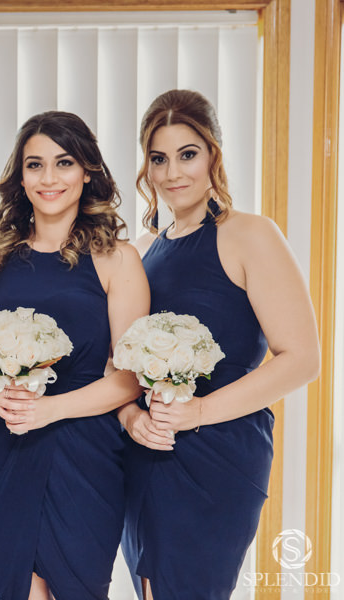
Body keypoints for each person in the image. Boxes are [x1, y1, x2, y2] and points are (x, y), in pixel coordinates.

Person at [118, 89, 320, 599]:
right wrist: (131, 418)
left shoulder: (251, 234)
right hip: (148, 448)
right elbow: (119, 363)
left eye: (187, 154)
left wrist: (199, 412)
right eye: (158, 159)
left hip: (219, 452)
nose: (172, 173)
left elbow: (302, 359)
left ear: (213, 154)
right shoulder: (142, 250)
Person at [0, 111, 150, 600]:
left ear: (87, 172)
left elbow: (131, 377)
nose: (49, 178)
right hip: (0, 443)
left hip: (84, 451)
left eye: (64, 163)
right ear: (20, 176)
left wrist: (49, 409)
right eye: (35, 165)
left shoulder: (118, 259)